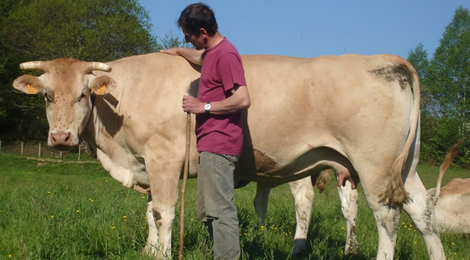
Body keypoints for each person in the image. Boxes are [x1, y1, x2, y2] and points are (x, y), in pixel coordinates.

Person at [161, 3, 250, 260]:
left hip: (221, 143)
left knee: (220, 211)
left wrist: (203, 106)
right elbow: (199, 58)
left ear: (202, 32)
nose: (188, 41)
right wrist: (178, 51)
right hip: (209, 145)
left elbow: (243, 99)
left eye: (188, 37)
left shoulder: (226, 55)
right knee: (205, 211)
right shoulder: (210, 52)